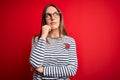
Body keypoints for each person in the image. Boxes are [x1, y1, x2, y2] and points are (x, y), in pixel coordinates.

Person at [29, 4, 78, 80]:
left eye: (56, 14)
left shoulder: (70, 41)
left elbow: (72, 70)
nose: (52, 18)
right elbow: (35, 64)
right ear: (44, 20)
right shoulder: (37, 39)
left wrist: (44, 70)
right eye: (48, 15)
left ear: (60, 17)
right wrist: (43, 36)